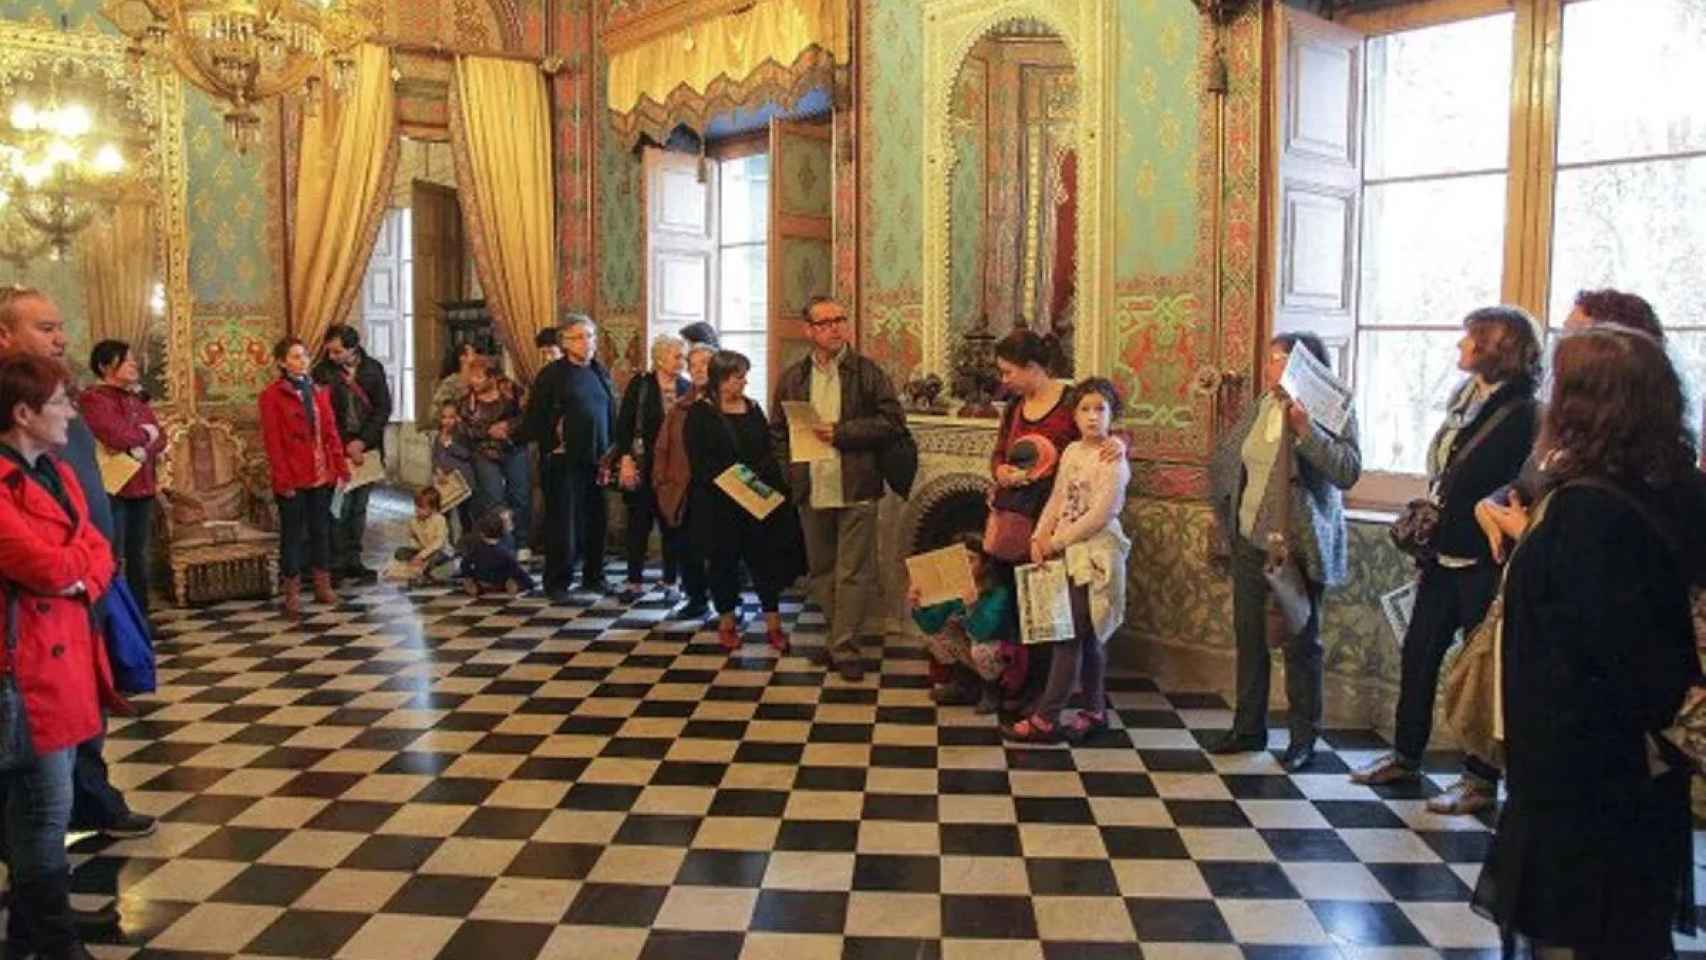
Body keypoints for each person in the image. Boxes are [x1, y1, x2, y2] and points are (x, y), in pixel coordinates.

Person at [1473, 325, 1706, 958]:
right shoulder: (1672, 487)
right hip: (1635, 780)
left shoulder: (1587, 514)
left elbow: (1616, 651)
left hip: (1587, 785)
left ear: (1582, 405)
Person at [1352, 307, 1541, 812]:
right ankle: (1405, 754)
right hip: (1443, 555)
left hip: (1486, 560)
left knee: (1480, 673)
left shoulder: (1524, 411)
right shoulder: (1465, 400)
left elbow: (1520, 486)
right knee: (1418, 655)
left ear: (1493, 349)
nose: (1460, 348)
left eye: (1469, 340)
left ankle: (1479, 778)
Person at [0, 287, 153, 849]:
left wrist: (92, 564)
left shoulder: (58, 397)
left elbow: (80, 505)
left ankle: (90, 803)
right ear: (6, 337)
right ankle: (38, 891)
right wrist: (76, 564)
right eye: (45, 328)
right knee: (36, 750)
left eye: (60, 325)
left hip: (86, 586)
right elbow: (34, 552)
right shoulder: (16, 408)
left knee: (87, 702)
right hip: (33, 610)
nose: (61, 338)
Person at [0, 352, 122, 960]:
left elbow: (99, 549)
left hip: (65, 658)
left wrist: (78, 575)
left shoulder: (57, 471)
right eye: (60, 403)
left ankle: (27, 936)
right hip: (23, 675)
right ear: (23, 414)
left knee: (45, 810)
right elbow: (44, 564)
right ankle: (56, 942)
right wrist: (74, 572)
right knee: (45, 812)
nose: (72, 412)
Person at [1206, 332, 1361, 772]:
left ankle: (1303, 738)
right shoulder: (1261, 404)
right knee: (1250, 637)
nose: (1270, 367)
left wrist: (1306, 431)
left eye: (1280, 360)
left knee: (1300, 643)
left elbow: (1347, 470)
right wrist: (1223, 512)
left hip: (1299, 548)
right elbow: (1229, 461)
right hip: (1250, 542)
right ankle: (1248, 727)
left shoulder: (1332, 410)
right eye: (1270, 358)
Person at [770, 296, 906, 681]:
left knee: (853, 570)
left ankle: (845, 647)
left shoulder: (867, 373)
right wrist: (789, 470)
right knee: (821, 569)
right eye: (825, 322)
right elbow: (778, 431)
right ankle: (837, 638)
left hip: (856, 481)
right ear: (808, 330)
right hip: (812, 484)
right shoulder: (793, 377)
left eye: (840, 320)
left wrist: (842, 433)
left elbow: (893, 421)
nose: (834, 327)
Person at [1475, 288, 1666, 555]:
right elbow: (1525, 485)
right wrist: (1489, 504)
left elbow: (1601, 568)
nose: (1561, 349)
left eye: (1576, 335)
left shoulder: (1652, 468)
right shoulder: (1568, 436)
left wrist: (1530, 536)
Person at [1003, 377, 1134, 743]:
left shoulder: (1114, 460)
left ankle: (1047, 717)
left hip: (1095, 554)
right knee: (1085, 636)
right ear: (1074, 416)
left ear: (1112, 414)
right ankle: (1094, 710)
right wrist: (1038, 536)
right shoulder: (1074, 452)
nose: (1093, 417)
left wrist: (1057, 541)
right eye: (1085, 409)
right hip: (1067, 549)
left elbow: (1100, 515)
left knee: (1071, 633)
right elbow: (1059, 498)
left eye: (1100, 409)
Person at [686, 350, 796, 654]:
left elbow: (765, 450)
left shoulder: (753, 407)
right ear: (721, 380)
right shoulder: (700, 413)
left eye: (745, 376)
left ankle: (773, 625)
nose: (744, 382)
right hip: (718, 503)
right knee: (723, 563)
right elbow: (701, 461)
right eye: (738, 377)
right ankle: (727, 623)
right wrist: (735, 482)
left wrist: (758, 483)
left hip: (755, 499)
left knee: (765, 562)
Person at [518, 314, 617, 602]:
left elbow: (610, 410)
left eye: (591, 336)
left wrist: (614, 450)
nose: (588, 343)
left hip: (598, 458)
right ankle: (557, 582)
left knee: (596, 520)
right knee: (563, 523)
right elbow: (536, 417)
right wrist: (554, 444)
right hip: (563, 461)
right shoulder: (552, 375)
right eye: (580, 337)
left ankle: (594, 576)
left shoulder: (599, 370)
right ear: (564, 342)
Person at [259, 336, 349, 618]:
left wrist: (340, 465)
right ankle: (292, 592)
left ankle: (323, 585)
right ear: (282, 362)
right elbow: (274, 442)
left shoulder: (319, 391)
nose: (302, 361)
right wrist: (282, 478)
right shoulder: (271, 396)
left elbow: (331, 432)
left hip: (321, 473)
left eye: (305, 356)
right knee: (293, 535)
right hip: (292, 477)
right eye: (295, 357)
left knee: (322, 531)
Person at [77, 339, 166, 614]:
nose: (134, 364)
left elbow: (160, 438)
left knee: (139, 557)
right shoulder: (94, 399)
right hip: (113, 488)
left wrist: (143, 441)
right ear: (105, 366)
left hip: (143, 485)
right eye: (126, 360)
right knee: (111, 555)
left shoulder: (135, 398)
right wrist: (144, 436)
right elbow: (115, 435)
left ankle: (140, 616)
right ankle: (112, 619)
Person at [313, 323, 392, 585]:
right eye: (330, 351)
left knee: (360, 507)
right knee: (339, 507)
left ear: (353, 348)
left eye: (337, 352)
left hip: (367, 450)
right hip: (337, 450)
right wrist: (346, 444)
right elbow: (323, 415)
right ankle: (335, 562)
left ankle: (354, 560)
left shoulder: (373, 369)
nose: (332, 356)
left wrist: (362, 442)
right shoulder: (323, 373)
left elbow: (383, 409)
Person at [614, 334, 691, 600]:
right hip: (643, 463)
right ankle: (634, 580)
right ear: (659, 358)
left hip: (673, 469)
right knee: (638, 523)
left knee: (672, 523)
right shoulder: (641, 385)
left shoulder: (685, 386)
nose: (682, 362)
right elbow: (624, 424)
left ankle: (671, 580)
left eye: (683, 356)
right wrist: (625, 459)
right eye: (677, 356)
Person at [909, 533, 1017, 714]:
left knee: (981, 649)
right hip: (973, 646)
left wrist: (973, 608)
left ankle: (992, 690)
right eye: (961, 561)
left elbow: (984, 632)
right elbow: (932, 627)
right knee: (936, 635)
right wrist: (918, 607)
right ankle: (965, 682)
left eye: (972, 560)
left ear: (984, 564)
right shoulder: (956, 587)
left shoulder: (997, 592)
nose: (965, 566)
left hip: (998, 651)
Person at [652, 341, 716, 621]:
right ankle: (696, 598)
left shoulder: (731, 403)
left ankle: (727, 601)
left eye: (705, 364)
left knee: (722, 550)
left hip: (720, 489)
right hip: (685, 488)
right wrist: (662, 484)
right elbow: (663, 448)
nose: (699, 369)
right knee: (688, 548)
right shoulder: (680, 407)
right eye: (693, 364)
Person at [458, 354, 530, 556]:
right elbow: (464, 429)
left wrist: (509, 426)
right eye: (472, 376)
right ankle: (501, 542)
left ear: (492, 377)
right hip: (484, 452)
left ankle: (522, 542)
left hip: (514, 447)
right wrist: (488, 431)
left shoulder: (510, 390)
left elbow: (528, 414)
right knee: (493, 497)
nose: (474, 381)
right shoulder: (467, 401)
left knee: (520, 495)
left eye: (479, 377)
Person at [431, 401, 479, 542]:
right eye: (444, 417)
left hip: (463, 483)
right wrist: (437, 470)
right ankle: (447, 543)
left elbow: (467, 454)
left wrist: (450, 445)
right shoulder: (438, 436)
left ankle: (467, 543)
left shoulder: (462, 434)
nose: (447, 421)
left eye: (451, 417)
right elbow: (435, 456)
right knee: (444, 514)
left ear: (458, 418)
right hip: (446, 482)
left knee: (465, 514)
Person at [460, 509, 534, 596]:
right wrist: (528, 582)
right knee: (517, 578)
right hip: (501, 580)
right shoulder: (504, 552)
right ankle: (512, 585)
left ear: (481, 533)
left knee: (472, 581)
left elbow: (465, 563)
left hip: (482, 578)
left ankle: (476, 586)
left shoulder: (476, 548)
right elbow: (516, 569)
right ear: (502, 531)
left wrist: (468, 576)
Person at [393, 486, 452, 585]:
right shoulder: (414, 520)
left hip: (440, 552)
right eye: (416, 506)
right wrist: (417, 553)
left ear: (433, 508)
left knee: (436, 557)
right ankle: (421, 568)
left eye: (421, 507)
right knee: (400, 552)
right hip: (423, 551)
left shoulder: (440, 519)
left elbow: (438, 543)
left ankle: (427, 571)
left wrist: (421, 556)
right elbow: (412, 537)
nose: (417, 510)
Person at [424, 339, 483, 431]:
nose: (477, 357)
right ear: (462, 358)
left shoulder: (480, 380)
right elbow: (435, 412)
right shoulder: (450, 383)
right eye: (473, 353)